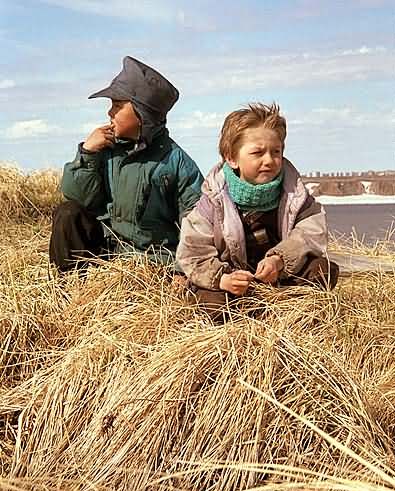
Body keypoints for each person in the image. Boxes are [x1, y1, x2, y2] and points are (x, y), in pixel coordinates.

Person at [176, 102, 339, 319]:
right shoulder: (212, 202)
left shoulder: (295, 195)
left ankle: (286, 315)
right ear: (231, 158)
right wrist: (223, 279)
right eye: (257, 153)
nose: (269, 160)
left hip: (280, 279)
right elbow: (192, 253)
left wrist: (280, 260)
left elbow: (312, 233)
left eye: (276, 152)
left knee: (323, 270)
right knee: (211, 304)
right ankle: (247, 318)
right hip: (232, 284)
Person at [49, 56, 204, 271]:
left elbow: (197, 221)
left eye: (117, 105)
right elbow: (77, 198)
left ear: (143, 114)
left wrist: (180, 269)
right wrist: (88, 153)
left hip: (154, 264)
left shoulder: (177, 162)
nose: (109, 112)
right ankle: (68, 291)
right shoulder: (105, 149)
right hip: (108, 255)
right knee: (68, 212)